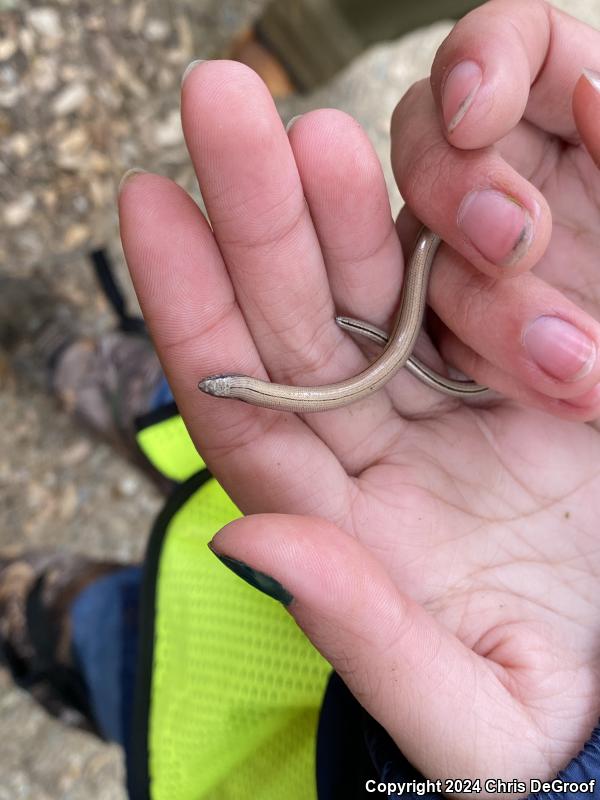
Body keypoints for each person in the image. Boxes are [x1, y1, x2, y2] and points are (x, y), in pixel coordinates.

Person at [3, 0, 600, 797]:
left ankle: (48, 622)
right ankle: (97, 371)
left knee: (114, 641)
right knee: (202, 385)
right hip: (292, 435)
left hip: (263, 738)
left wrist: (563, 777)